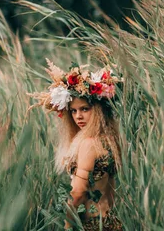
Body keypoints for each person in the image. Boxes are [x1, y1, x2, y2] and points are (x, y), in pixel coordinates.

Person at [30, 60, 123, 231]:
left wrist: (67, 226)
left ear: (98, 110)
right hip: (110, 223)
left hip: (91, 225)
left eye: (85, 109)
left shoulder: (88, 144)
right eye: (73, 111)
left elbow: (77, 193)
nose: (78, 116)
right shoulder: (109, 141)